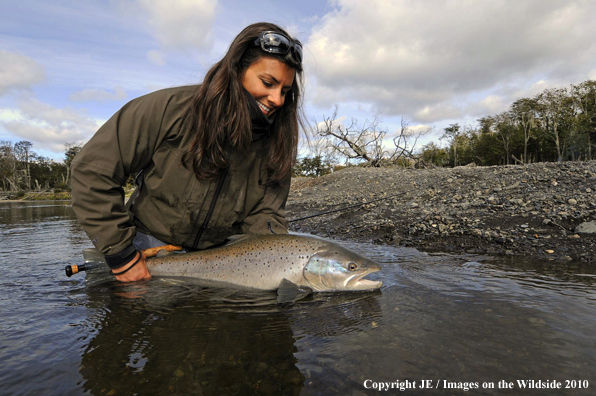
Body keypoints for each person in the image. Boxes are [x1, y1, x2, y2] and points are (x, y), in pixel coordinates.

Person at [71, 22, 304, 283]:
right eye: (268, 83)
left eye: (284, 91)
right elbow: (92, 171)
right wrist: (120, 253)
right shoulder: (169, 109)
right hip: (143, 250)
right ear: (236, 70)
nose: (278, 99)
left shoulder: (275, 142)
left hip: (220, 258)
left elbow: (266, 215)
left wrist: (272, 265)